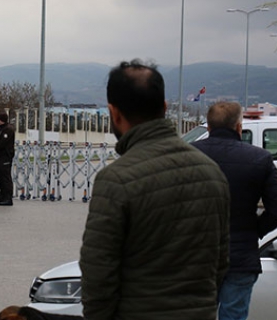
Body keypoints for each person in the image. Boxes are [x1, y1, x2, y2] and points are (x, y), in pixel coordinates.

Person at [79, 59, 230, 320]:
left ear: (114, 113)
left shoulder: (116, 180)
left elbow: (98, 275)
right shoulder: (212, 173)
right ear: (164, 108)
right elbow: (221, 262)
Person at [191, 101, 277, 320]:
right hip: (241, 257)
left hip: (196, 256)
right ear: (239, 127)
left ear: (209, 128)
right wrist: (256, 230)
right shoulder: (260, 159)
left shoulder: (188, 156)